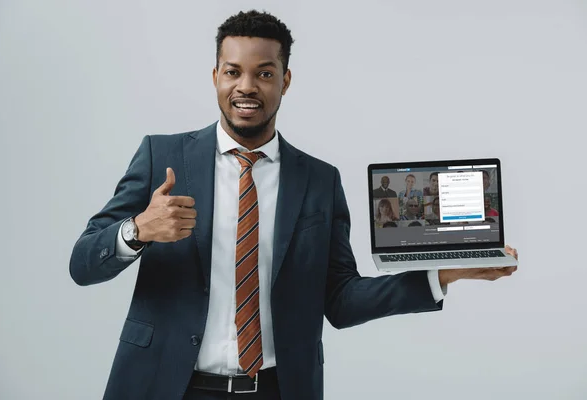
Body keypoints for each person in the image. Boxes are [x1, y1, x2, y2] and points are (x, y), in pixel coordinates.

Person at [69, 10, 519, 400]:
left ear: (285, 80)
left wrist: (443, 275)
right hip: (164, 385)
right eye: (232, 72)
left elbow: (341, 300)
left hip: (278, 390)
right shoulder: (161, 157)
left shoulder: (319, 181)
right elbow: (82, 264)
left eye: (264, 73)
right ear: (215, 77)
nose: (246, 87)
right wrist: (137, 231)